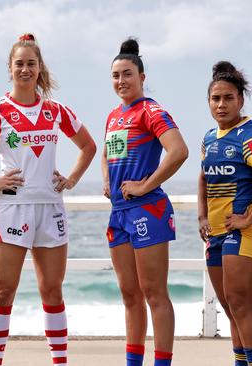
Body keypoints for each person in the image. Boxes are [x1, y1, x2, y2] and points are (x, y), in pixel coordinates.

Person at [0, 33, 96, 366]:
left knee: (52, 292)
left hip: (51, 208)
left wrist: (70, 179)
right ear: (9, 69)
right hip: (12, 207)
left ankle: (60, 361)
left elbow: (89, 146)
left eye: (31, 64)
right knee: (3, 292)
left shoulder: (56, 110)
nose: (25, 70)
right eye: (19, 64)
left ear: (40, 68)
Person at [102, 38, 188, 366]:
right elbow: (108, 151)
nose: (121, 81)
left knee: (154, 293)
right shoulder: (113, 115)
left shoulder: (151, 110)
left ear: (141, 76)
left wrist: (146, 185)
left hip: (148, 210)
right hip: (119, 213)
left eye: (127, 74)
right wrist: (109, 182)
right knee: (129, 295)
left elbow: (178, 151)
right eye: (115, 75)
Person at [198, 61, 252, 366]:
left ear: (240, 100)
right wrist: (201, 215)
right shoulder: (210, 137)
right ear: (208, 101)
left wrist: (250, 217)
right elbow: (204, 176)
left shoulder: (249, 134)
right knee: (229, 306)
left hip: (243, 232)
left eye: (228, 98)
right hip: (216, 235)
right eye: (215, 99)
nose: (221, 105)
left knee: (241, 304)